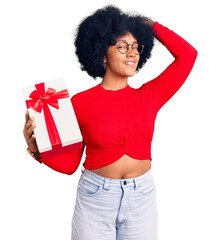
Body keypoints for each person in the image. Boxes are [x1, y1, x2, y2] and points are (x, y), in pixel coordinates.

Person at [23, 5, 198, 240]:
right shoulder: (80, 102)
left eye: (136, 47)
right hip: (95, 200)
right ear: (103, 54)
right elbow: (70, 165)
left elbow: (188, 55)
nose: (132, 53)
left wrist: (151, 26)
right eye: (123, 47)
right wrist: (38, 151)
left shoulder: (150, 95)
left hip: (142, 199)